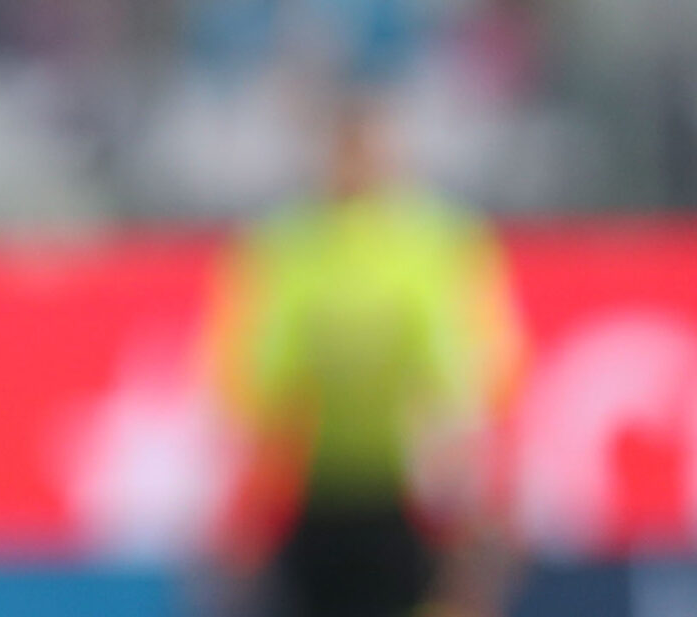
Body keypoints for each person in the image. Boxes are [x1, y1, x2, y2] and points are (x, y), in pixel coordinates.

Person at [207, 96, 524, 617]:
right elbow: (247, 377)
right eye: (345, 153)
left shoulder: (438, 244)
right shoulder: (284, 248)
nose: (356, 167)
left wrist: (466, 486)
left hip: (414, 499)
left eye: (367, 152)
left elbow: (478, 371)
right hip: (307, 492)